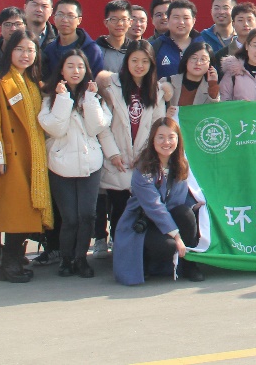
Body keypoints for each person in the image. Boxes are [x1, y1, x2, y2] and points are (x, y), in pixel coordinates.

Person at [0, 31, 54, 283]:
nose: (25, 55)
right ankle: (8, 264)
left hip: (32, 157)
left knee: (25, 212)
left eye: (31, 50)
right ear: (9, 51)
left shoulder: (31, 82)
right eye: (20, 49)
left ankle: (13, 260)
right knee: (16, 213)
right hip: (11, 158)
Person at [38, 49, 111, 278]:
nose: (75, 71)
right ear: (61, 70)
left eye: (80, 66)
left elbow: (96, 127)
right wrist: (62, 99)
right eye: (70, 66)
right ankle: (66, 259)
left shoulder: (94, 96)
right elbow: (55, 129)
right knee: (69, 218)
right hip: (61, 165)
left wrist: (90, 99)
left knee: (87, 215)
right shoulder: (50, 98)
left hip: (90, 164)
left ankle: (81, 259)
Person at [112, 118, 205, 284]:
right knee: (169, 246)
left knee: (186, 213)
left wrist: (197, 205)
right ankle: (145, 260)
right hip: (145, 221)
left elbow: (181, 199)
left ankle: (190, 265)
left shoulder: (181, 164)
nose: (166, 142)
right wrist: (177, 238)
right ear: (153, 140)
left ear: (178, 140)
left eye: (171, 137)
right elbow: (155, 207)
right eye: (160, 137)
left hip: (169, 217)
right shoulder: (143, 169)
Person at [96, 40, 167, 253]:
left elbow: (157, 126)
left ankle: (134, 250)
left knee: (139, 206)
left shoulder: (156, 90)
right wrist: (113, 153)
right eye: (135, 60)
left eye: (145, 61)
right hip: (116, 158)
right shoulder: (112, 86)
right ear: (127, 61)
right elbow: (103, 125)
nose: (139, 65)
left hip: (142, 160)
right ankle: (119, 249)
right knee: (119, 207)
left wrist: (145, 154)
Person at [42, 0, 105, 77]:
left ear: (79, 20)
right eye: (60, 14)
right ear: (54, 18)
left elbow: (96, 80)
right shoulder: (49, 50)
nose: (65, 20)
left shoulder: (92, 50)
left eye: (70, 16)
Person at [162, 40, 220, 114]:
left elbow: (215, 112)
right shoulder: (167, 82)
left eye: (203, 59)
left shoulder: (211, 88)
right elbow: (154, 111)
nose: (198, 63)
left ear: (210, 64)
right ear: (186, 60)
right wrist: (164, 114)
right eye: (194, 58)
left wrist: (213, 85)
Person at [155, 0, 197, 78]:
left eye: (186, 18)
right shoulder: (155, 47)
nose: (181, 22)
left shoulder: (203, 46)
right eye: (176, 17)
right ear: (168, 20)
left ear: (193, 21)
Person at [97, 0, 133, 75]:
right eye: (114, 19)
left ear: (130, 22)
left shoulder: (135, 49)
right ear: (106, 22)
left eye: (124, 19)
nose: (119, 23)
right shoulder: (95, 50)